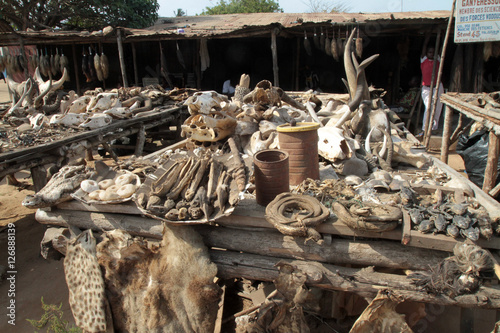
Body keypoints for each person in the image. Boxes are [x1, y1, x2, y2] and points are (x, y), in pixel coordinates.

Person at [418, 33, 444, 137]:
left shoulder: (438, 60)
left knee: (437, 108)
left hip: (437, 87)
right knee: (428, 107)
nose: (431, 54)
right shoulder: (424, 60)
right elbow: (424, 48)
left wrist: (441, 39)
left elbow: (441, 49)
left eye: (433, 52)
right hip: (426, 88)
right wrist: (426, 39)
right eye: (430, 52)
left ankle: (434, 128)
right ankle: (425, 129)